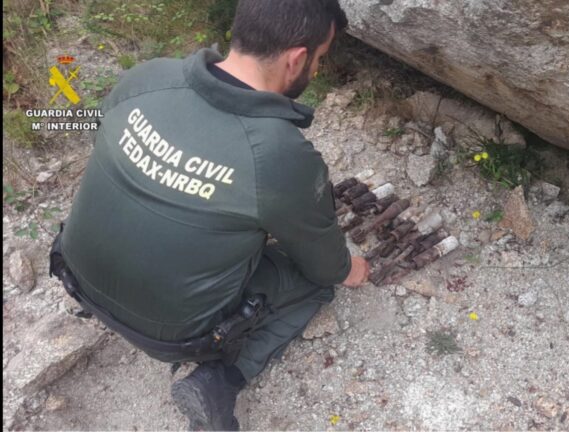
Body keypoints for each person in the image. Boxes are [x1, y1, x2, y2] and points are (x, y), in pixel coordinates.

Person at [49, 0, 369, 430]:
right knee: (316, 285)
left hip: (74, 272)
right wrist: (348, 268)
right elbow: (325, 264)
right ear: (297, 59)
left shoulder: (148, 76)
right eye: (320, 58)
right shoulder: (277, 153)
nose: (316, 69)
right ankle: (220, 379)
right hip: (168, 330)